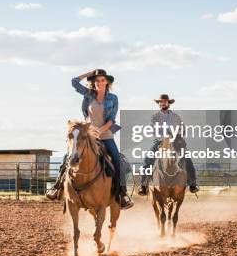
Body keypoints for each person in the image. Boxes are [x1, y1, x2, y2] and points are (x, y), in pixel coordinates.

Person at [46, 69, 134, 209]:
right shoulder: (88, 94)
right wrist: (89, 74)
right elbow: (74, 82)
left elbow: (111, 120)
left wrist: (99, 131)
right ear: (94, 83)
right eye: (97, 80)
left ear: (107, 82)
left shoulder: (113, 98)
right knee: (68, 156)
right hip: (87, 135)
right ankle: (57, 187)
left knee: (117, 160)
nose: (100, 82)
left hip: (105, 135)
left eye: (102, 80)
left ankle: (122, 194)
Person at [137, 94, 199, 196]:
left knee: (188, 160)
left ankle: (192, 184)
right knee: (147, 160)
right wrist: (166, 136)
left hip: (175, 141)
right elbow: (154, 130)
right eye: (161, 102)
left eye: (165, 101)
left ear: (168, 103)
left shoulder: (176, 116)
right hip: (160, 142)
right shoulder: (155, 117)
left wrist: (177, 136)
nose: (163, 103)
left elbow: (182, 129)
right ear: (158, 103)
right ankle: (143, 185)